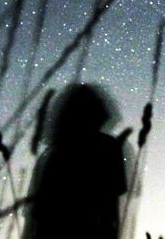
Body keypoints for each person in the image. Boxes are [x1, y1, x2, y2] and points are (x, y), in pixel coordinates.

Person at [24, 84, 127, 239]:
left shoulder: (54, 153)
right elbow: (112, 205)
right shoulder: (107, 146)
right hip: (90, 230)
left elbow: (39, 212)